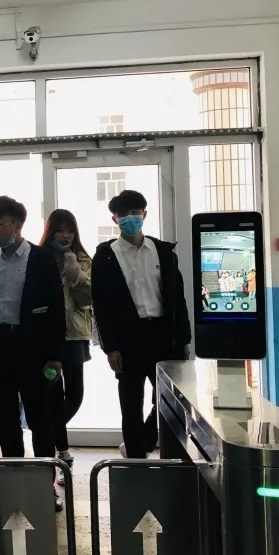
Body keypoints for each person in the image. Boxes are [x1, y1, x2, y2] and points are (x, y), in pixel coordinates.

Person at [0, 196, 66, 510]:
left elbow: (56, 308)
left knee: (40, 418)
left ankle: (45, 484)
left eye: (1, 223)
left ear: (17, 225)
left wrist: (55, 354)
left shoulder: (41, 259)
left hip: (33, 349)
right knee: (6, 419)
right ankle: (14, 482)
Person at [91, 190, 191, 460]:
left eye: (135, 213)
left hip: (163, 337)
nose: (130, 218)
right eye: (123, 214)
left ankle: (158, 446)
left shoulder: (163, 251)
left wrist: (184, 339)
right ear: (114, 218)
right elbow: (101, 307)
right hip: (128, 340)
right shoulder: (106, 255)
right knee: (130, 403)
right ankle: (136, 459)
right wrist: (110, 348)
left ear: (145, 214)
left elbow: (178, 299)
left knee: (169, 401)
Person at [38, 209, 93, 469]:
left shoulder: (82, 258)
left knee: (75, 395)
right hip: (47, 336)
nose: (65, 235)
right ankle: (61, 450)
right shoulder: (39, 257)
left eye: (69, 230)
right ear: (51, 231)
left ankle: (47, 436)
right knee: (52, 394)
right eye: (60, 230)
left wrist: (76, 274)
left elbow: (89, 298)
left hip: (75, 335)